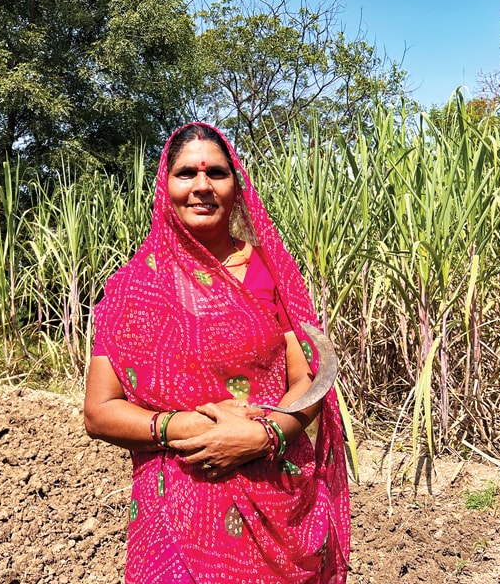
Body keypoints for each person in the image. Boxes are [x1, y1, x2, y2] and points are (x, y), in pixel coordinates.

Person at [84, 122, 350, 583]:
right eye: (187, 173)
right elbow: (99, 412)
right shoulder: (135, 288)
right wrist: (181, 425)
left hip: (274, 492)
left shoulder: (270, 272)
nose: (202, 186)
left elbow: (307, 378)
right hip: (175, 507)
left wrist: (264, 436)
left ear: (236, 185)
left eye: (217, 174)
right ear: (165, 187)